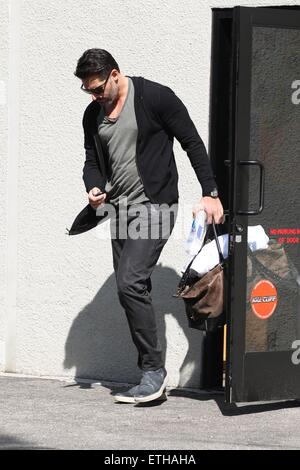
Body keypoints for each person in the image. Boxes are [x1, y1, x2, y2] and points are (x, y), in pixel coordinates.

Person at [74, 49, 224, 404]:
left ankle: (153, 373)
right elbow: (92, 160)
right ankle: (150, 370)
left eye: (97, 89)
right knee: (131, 290)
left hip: (155, 207)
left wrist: (211, 192)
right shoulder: (92, 114)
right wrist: (93, 187)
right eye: (87, 92)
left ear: (114, 74)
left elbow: (191, 143)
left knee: (128, 281)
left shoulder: (155, 97)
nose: (94, 97)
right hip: (119, 211)